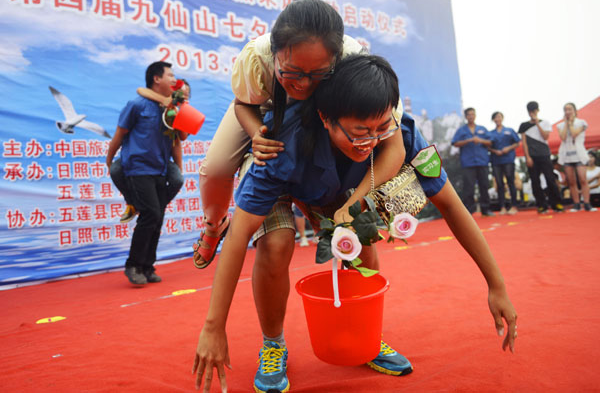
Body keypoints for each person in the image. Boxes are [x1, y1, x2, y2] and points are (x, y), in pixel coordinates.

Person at [192, 55, 518, 393]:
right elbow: (238, 236)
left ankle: (368, 340)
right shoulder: (280, 144)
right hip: (284, 185)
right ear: (326, 119)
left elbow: (451, 205)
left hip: (338, 192)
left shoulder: (401, 133)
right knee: (276, 244)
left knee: (361, 240)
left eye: (381, 129)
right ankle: (273, 345)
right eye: (360, 132)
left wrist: (497, 285)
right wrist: (214, 327)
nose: (372, 141)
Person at [192, 0, 406, 269]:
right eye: (291, 72)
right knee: (216, 167)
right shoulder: (257, 55)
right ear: (275, 52)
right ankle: (214, 224)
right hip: (264, 107)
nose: (303, 84)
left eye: (317, 72)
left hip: (319, 114)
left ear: (335, 59)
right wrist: (257, 133)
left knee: (354, 238)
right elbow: (244, 104)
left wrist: (353, 206)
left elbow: (393, 144)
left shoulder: (355, 62)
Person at [105, 61, 178, 285]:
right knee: (151, 215)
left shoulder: (170, 109)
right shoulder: (136, 104)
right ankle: (133, 265)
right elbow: (119, 134)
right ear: (157, 79)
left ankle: (147, 266)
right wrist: (109, 162)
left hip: (161, 169)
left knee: (157, 217)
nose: (174, 80)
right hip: (138, 169)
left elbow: (178, 140)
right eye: (170, 75)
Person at [110, 80, 191, 223]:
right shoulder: (156, 104)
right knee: (116, 170)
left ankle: (155, 207)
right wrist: (166, 101)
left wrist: (182, 113)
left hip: (162, 162)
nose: (182, 97)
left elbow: (180, 139)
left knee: (177, 179)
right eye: (178, 93)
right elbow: (141, 90)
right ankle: (133, 204)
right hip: (140, 160)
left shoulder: (182, 112)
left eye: (186, 96)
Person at [518, 101, 564, 214]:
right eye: (530, 111)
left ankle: (556, 203)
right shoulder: (523, 125)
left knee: (550, 179)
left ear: (538, 111)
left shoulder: (545, 123)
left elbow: (545, 136)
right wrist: (527, 157)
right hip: (532, 157)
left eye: (534, 111)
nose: (532, 113)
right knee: (535, 181)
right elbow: (524, 143)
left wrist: (537, 123)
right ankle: (541, 205)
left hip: (544, 154)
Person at [451, 107, 495, 216]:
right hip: (468, 163)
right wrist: (469, 140)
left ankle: (486, 209)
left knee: (484, 186)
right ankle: (469, 211)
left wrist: (480, 140)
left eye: (472, 114)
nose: (471, 116)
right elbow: (455, 143)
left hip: (482, 161)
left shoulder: (482, 129)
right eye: (469, 114)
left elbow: (491, 142)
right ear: (466, 117)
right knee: (469, 187)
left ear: (475, 115)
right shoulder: (461, 130)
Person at [557, 102, 596, 212]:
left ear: (575, 111)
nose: (567, 111)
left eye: (570, 109)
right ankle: (576, 204)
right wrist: (565, 123)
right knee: (571, 181)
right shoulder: (560, 125)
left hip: (579, 154)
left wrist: (570, 123)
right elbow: (563, 137)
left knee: (583, 179)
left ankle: (587, 203)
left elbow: (574, 134)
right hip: (567, 155)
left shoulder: (582, 123)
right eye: (565, 109)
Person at [488, 111, 520, 214]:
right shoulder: (490, 133)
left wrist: (508, 148)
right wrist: (495, 151)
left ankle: (514, 206)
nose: (498, 119)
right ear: (493, 120)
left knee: (511, 182)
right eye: (496, 117)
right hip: (496, 161)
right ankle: (502, 207)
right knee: (499, 183)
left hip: (508, 160)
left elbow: (517, 142)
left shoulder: (509, 130)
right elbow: (487, 146)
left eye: (500, 117)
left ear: (502, 118)